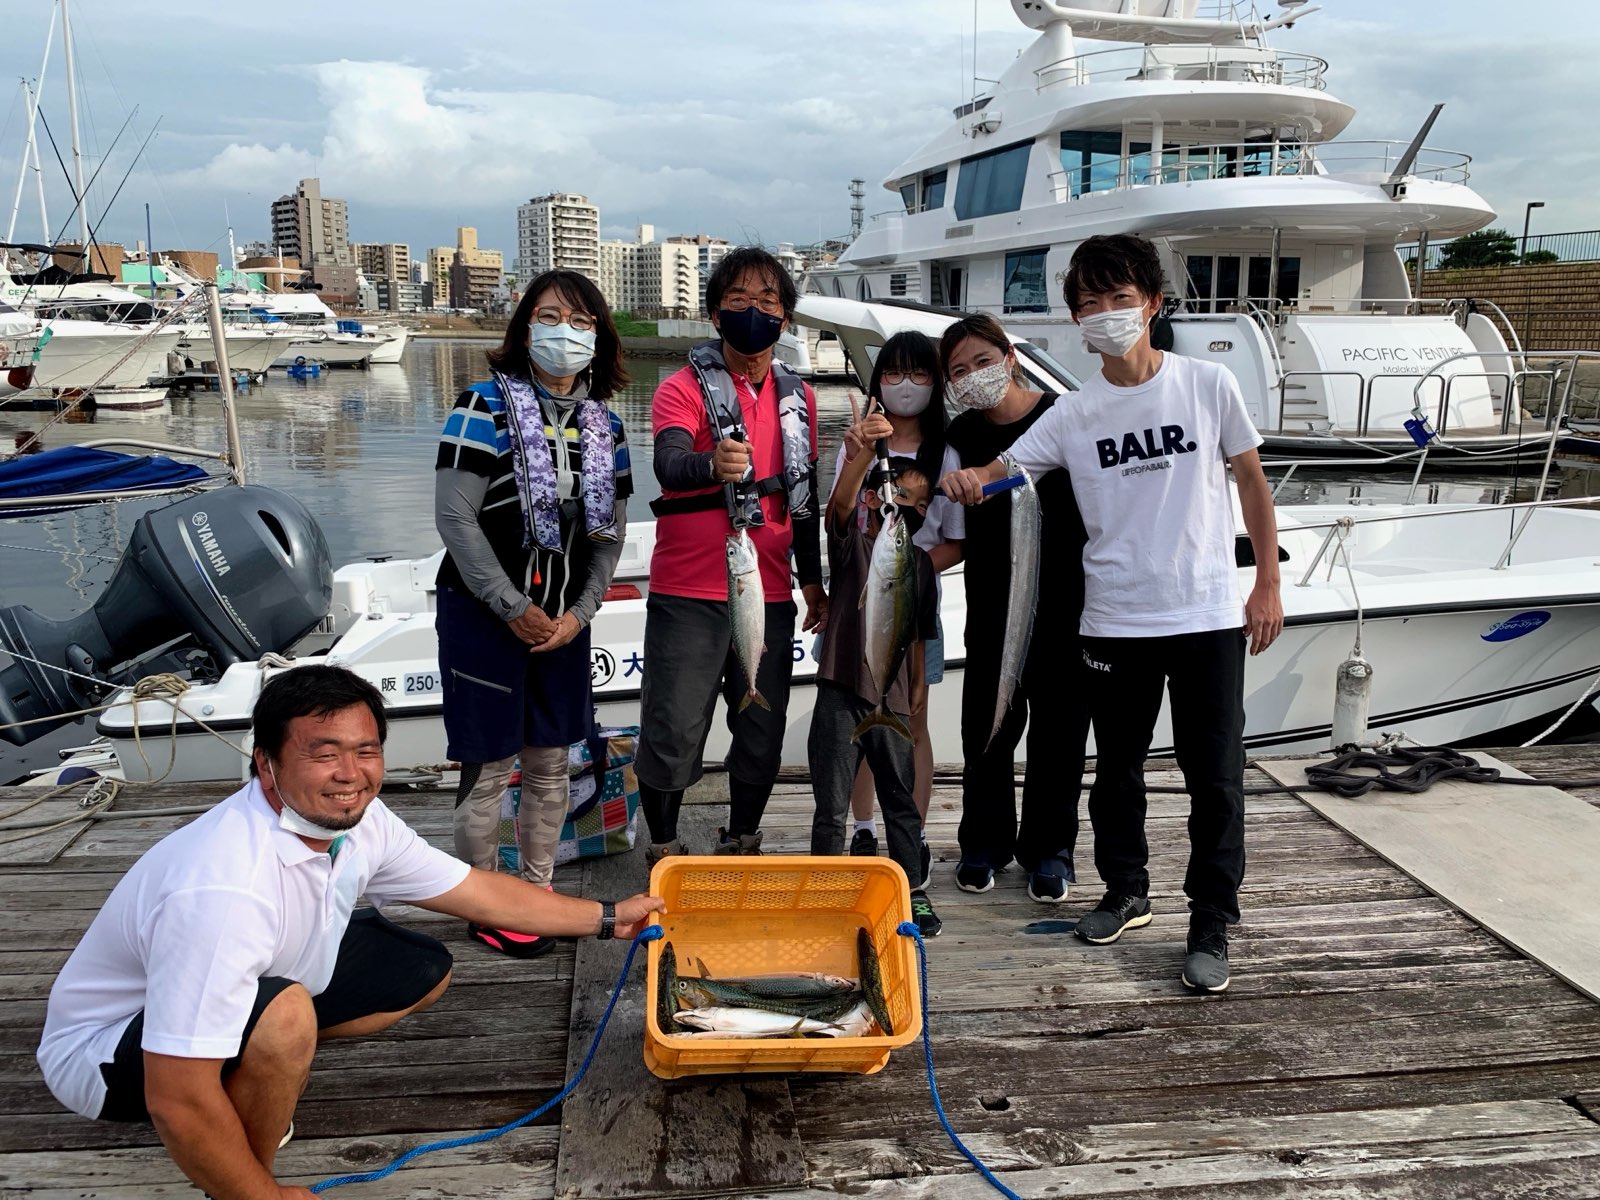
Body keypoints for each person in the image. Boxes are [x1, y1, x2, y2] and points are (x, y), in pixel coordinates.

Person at [36, 665, 663, 1200]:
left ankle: (257, 1062)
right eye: (323, 753)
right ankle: (242, 1156)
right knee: (284, 1020)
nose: (350, 773)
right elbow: (175, 1098)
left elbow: (476, 891)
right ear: (266, 764)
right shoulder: (224, 889)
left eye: (366, 751)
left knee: (423, 969)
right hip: (108, 1056)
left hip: (245, 982)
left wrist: (608, 918)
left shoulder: (360, 820)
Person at [941, 233, 1284, 992]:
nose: (1105, 314)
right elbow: (1003, 470)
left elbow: (1252, 483)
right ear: (1075, 319)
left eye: (1119, 298)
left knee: (1215, 778)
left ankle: (1211, 919)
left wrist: (1266, 583)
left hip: (1205, 615)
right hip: (1114, 622)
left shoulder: (1207, 384)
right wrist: (958, 482)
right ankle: (1127, 890)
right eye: (1089, 303)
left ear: (1152, 303)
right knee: (1116, 775)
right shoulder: (1074, 413)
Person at [434, 268, 632, 957]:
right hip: (484, 616)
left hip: (563, 623)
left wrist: (580, 613)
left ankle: (538, 893)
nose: (564, 333)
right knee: (488, 767)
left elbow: (609, 537)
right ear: (524, 328)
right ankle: (484, 903)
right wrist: (511, 605)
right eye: (550, 317)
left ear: (599, 337)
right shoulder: (480, 406)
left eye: (581, 322)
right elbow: (456, 519)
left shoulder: (607, 426)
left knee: (550, 763)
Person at [635, 247, 826, 861]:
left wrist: (812, 582)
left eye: (768, 301)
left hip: (769, 592)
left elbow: (804, 497)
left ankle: (743, 837)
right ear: (716, 314)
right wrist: (709, 464)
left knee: (761, 729)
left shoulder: (800, 398)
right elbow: (669, 464)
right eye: (739, 300)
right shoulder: (681, 388)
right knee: (673, 727)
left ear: (785, 318)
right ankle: (663, 846)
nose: (754, 311)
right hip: (688, 592)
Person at [938, 312, 1090, 905]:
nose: (973, 375)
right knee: (985, 725)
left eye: (983, 361)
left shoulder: (1064, 414)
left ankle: (1050, 848)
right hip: (992, 603)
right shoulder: (961, 435)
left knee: (1060, 729)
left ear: (1010, 357)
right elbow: (939, 507)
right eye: (959, 371)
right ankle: (984, 842)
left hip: (1066, 603)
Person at [829, 332, 964, 892]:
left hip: (913, 608)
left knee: (913, 724)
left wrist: (907, 570)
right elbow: (837, 513)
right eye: (893, 373)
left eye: (920, 374)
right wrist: (858, 454)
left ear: (936, 383)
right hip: (857, 611)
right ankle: (863, 828)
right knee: (862, 724)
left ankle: (914, 831)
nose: (906, 385)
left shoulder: (947, 453)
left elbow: (955, 541)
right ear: (878, 380)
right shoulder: (857, 443)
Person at [810, 429, 941, 936]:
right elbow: (839, 506)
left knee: (900, 802)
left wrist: (919, 685)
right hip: (839, 689)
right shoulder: (853, 548)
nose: (915, 510)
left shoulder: (920, 563)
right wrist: (863, 453)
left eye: (923, 505)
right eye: (905, 497)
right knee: (831, 806)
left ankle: (912, 892)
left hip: (892, 696)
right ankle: (823, 893)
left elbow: (921, 631)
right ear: (875, 499)